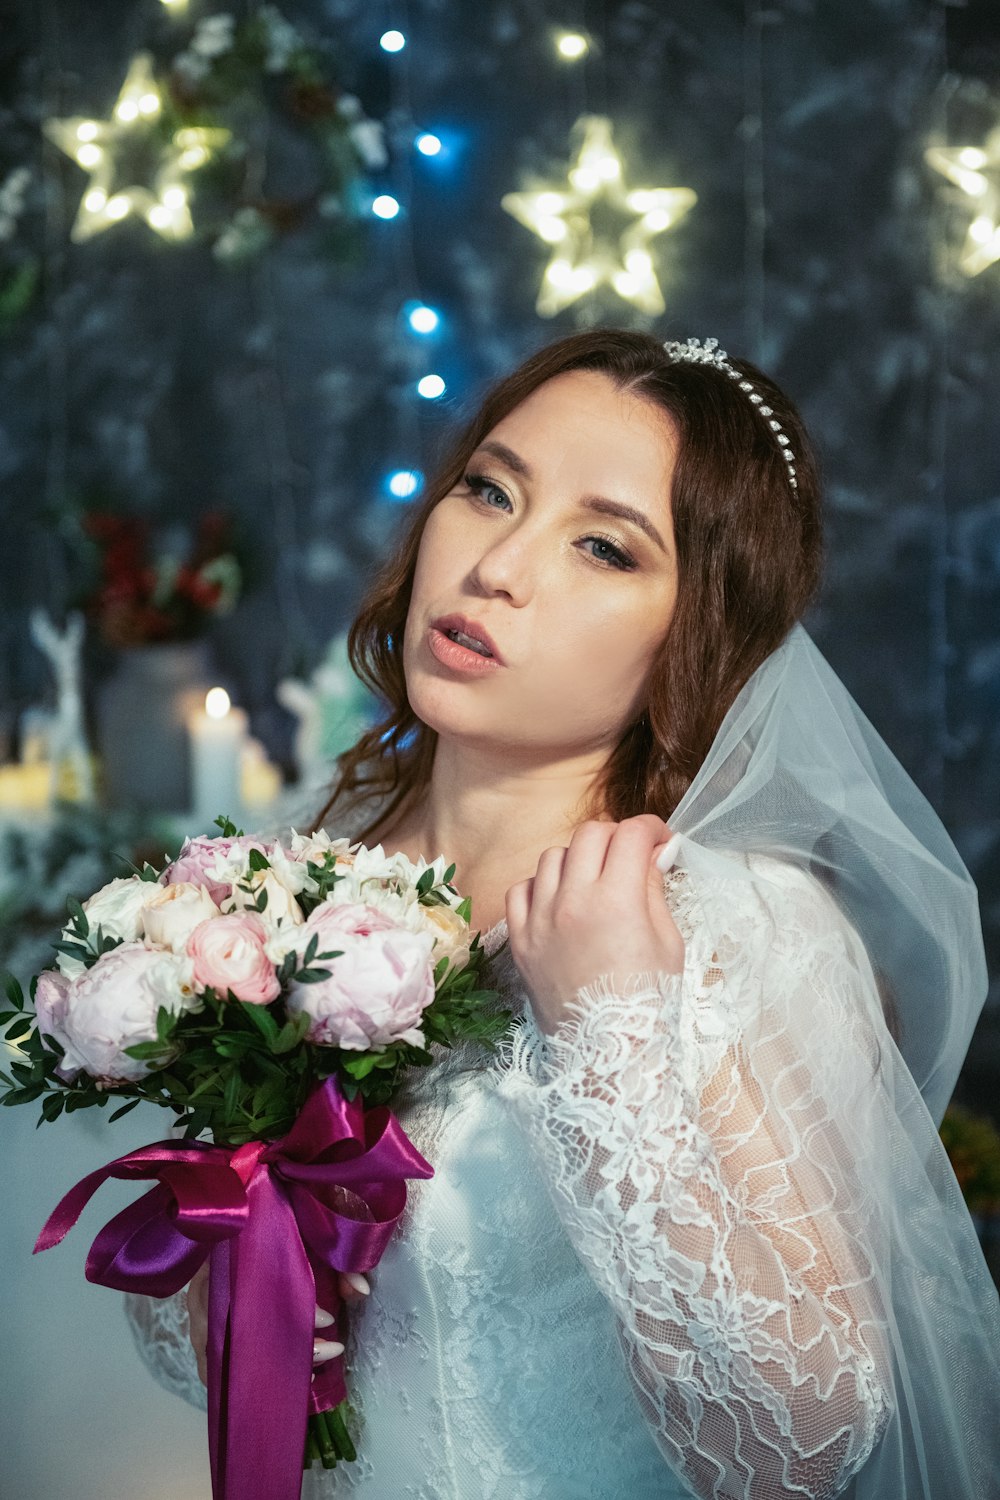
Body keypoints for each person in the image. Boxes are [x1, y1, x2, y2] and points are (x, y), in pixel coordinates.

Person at [125, 328, 1000, 1498]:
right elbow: (232, 1368)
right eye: (489, 490)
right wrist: (243, 1267)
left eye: (602, 546)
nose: (498, 565)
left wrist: (612, 1025)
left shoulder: (722, 923)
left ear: (693, 637)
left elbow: (800, 1445)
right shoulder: (291, 893)